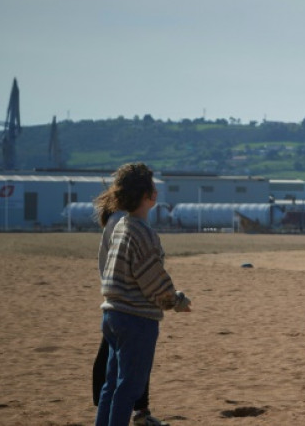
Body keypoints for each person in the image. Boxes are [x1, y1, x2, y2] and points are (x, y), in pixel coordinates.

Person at [94, 163, 192, 426]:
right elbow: (154, 282)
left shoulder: (122, 225)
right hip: (135, 319)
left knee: (111, 386)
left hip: (112, 315)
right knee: (128, 389)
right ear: (149, 196)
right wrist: (177, 301)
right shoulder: (142, 232)